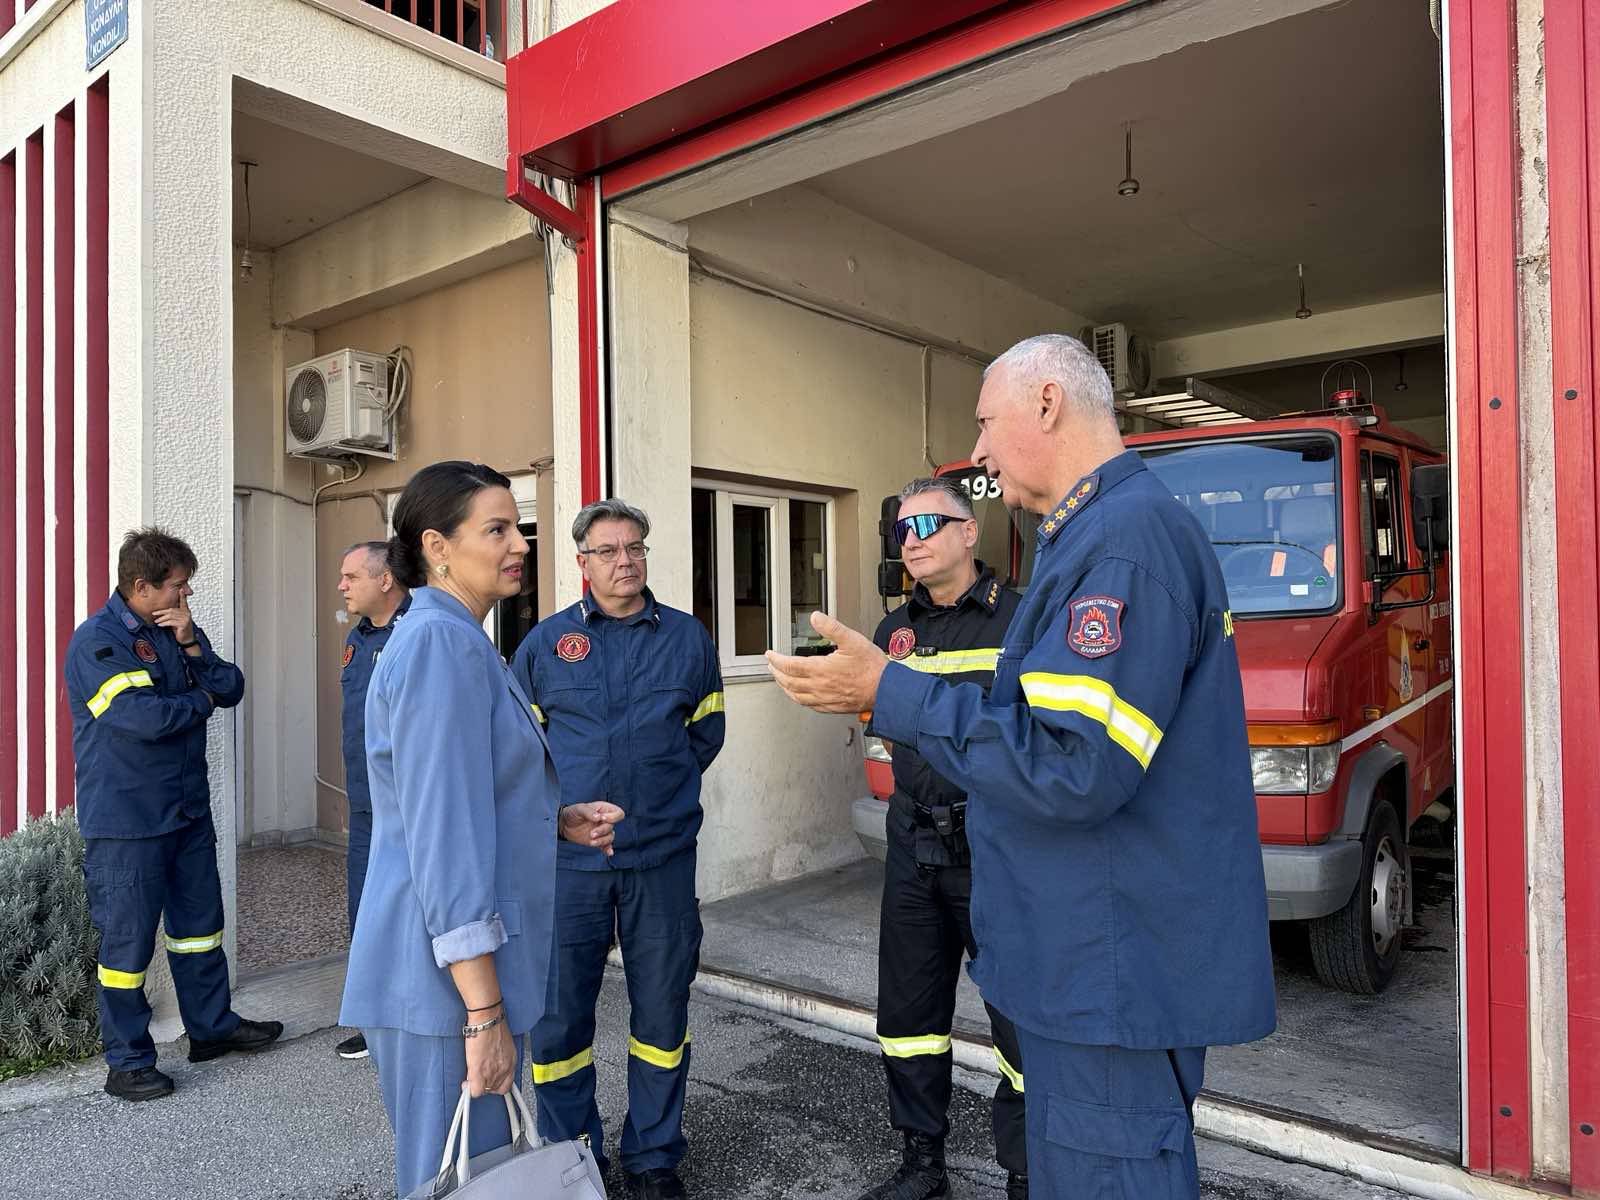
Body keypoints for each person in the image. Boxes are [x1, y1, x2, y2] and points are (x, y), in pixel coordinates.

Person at [767, 334, 1276, 1200]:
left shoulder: (1120, 545)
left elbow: (1076, 767)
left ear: (1047, 403)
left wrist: (892, 690)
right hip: (1084, 957)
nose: (982, 454)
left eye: (986, 424)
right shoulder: (1092, 537)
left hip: (1103, 967)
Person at [338, 461, 623, 1199]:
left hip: (449, 985)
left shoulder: (457, 638)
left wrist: (550, 820)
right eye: (496, 529)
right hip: (445, 992)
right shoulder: (441, 645)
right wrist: (484, 1015)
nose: (519, 544)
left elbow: (462, 796)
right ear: (436, 546)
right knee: (458, 1183)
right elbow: (442, 839)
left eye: (518, 527)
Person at [511, 498, 725, 1200]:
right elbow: (523, 754)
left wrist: (655, 799)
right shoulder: (542, 646)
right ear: (581, 563)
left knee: (662, 1015)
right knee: (558, 1021)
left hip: (660, 859)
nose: (624, 560)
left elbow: (705, 735)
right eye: (607, 550)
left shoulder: (690, 640)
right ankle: (573, 1155)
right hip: (566, 867)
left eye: (634, 546)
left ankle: (654, 1157)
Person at [65, 528, 283, 1102]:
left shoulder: (172, 631)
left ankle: (210, 1029)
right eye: (177, 588)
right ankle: (128, 1060)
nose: (185, 597)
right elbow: (143, 719)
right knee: (127, 947)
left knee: (198, 932)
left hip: (185, 813)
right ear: (142, 586)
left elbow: (229, 685)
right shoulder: (97, 642)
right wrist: (200, 702)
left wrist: (192, 646)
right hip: (129, 822)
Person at [861, 476, 1027, 1200]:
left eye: (930, 522)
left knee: (1020, 1021)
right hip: (912, 845)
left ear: (970, 532)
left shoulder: (1021, 618)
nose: (914, 538)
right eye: (902, 529)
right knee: (907, 1016)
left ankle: (1029, 1170)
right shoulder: (890, 633)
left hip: (995, 848)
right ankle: (922, 1163)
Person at [332, 541, 411, 1061]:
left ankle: (415, 1018)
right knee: (366, 911)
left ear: (385, 580)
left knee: (412, 914)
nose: (341, 586)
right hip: (366, 805)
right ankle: (377, 1019)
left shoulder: (417, 633)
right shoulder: (358, 640)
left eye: (351, 576)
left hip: (408, 806)